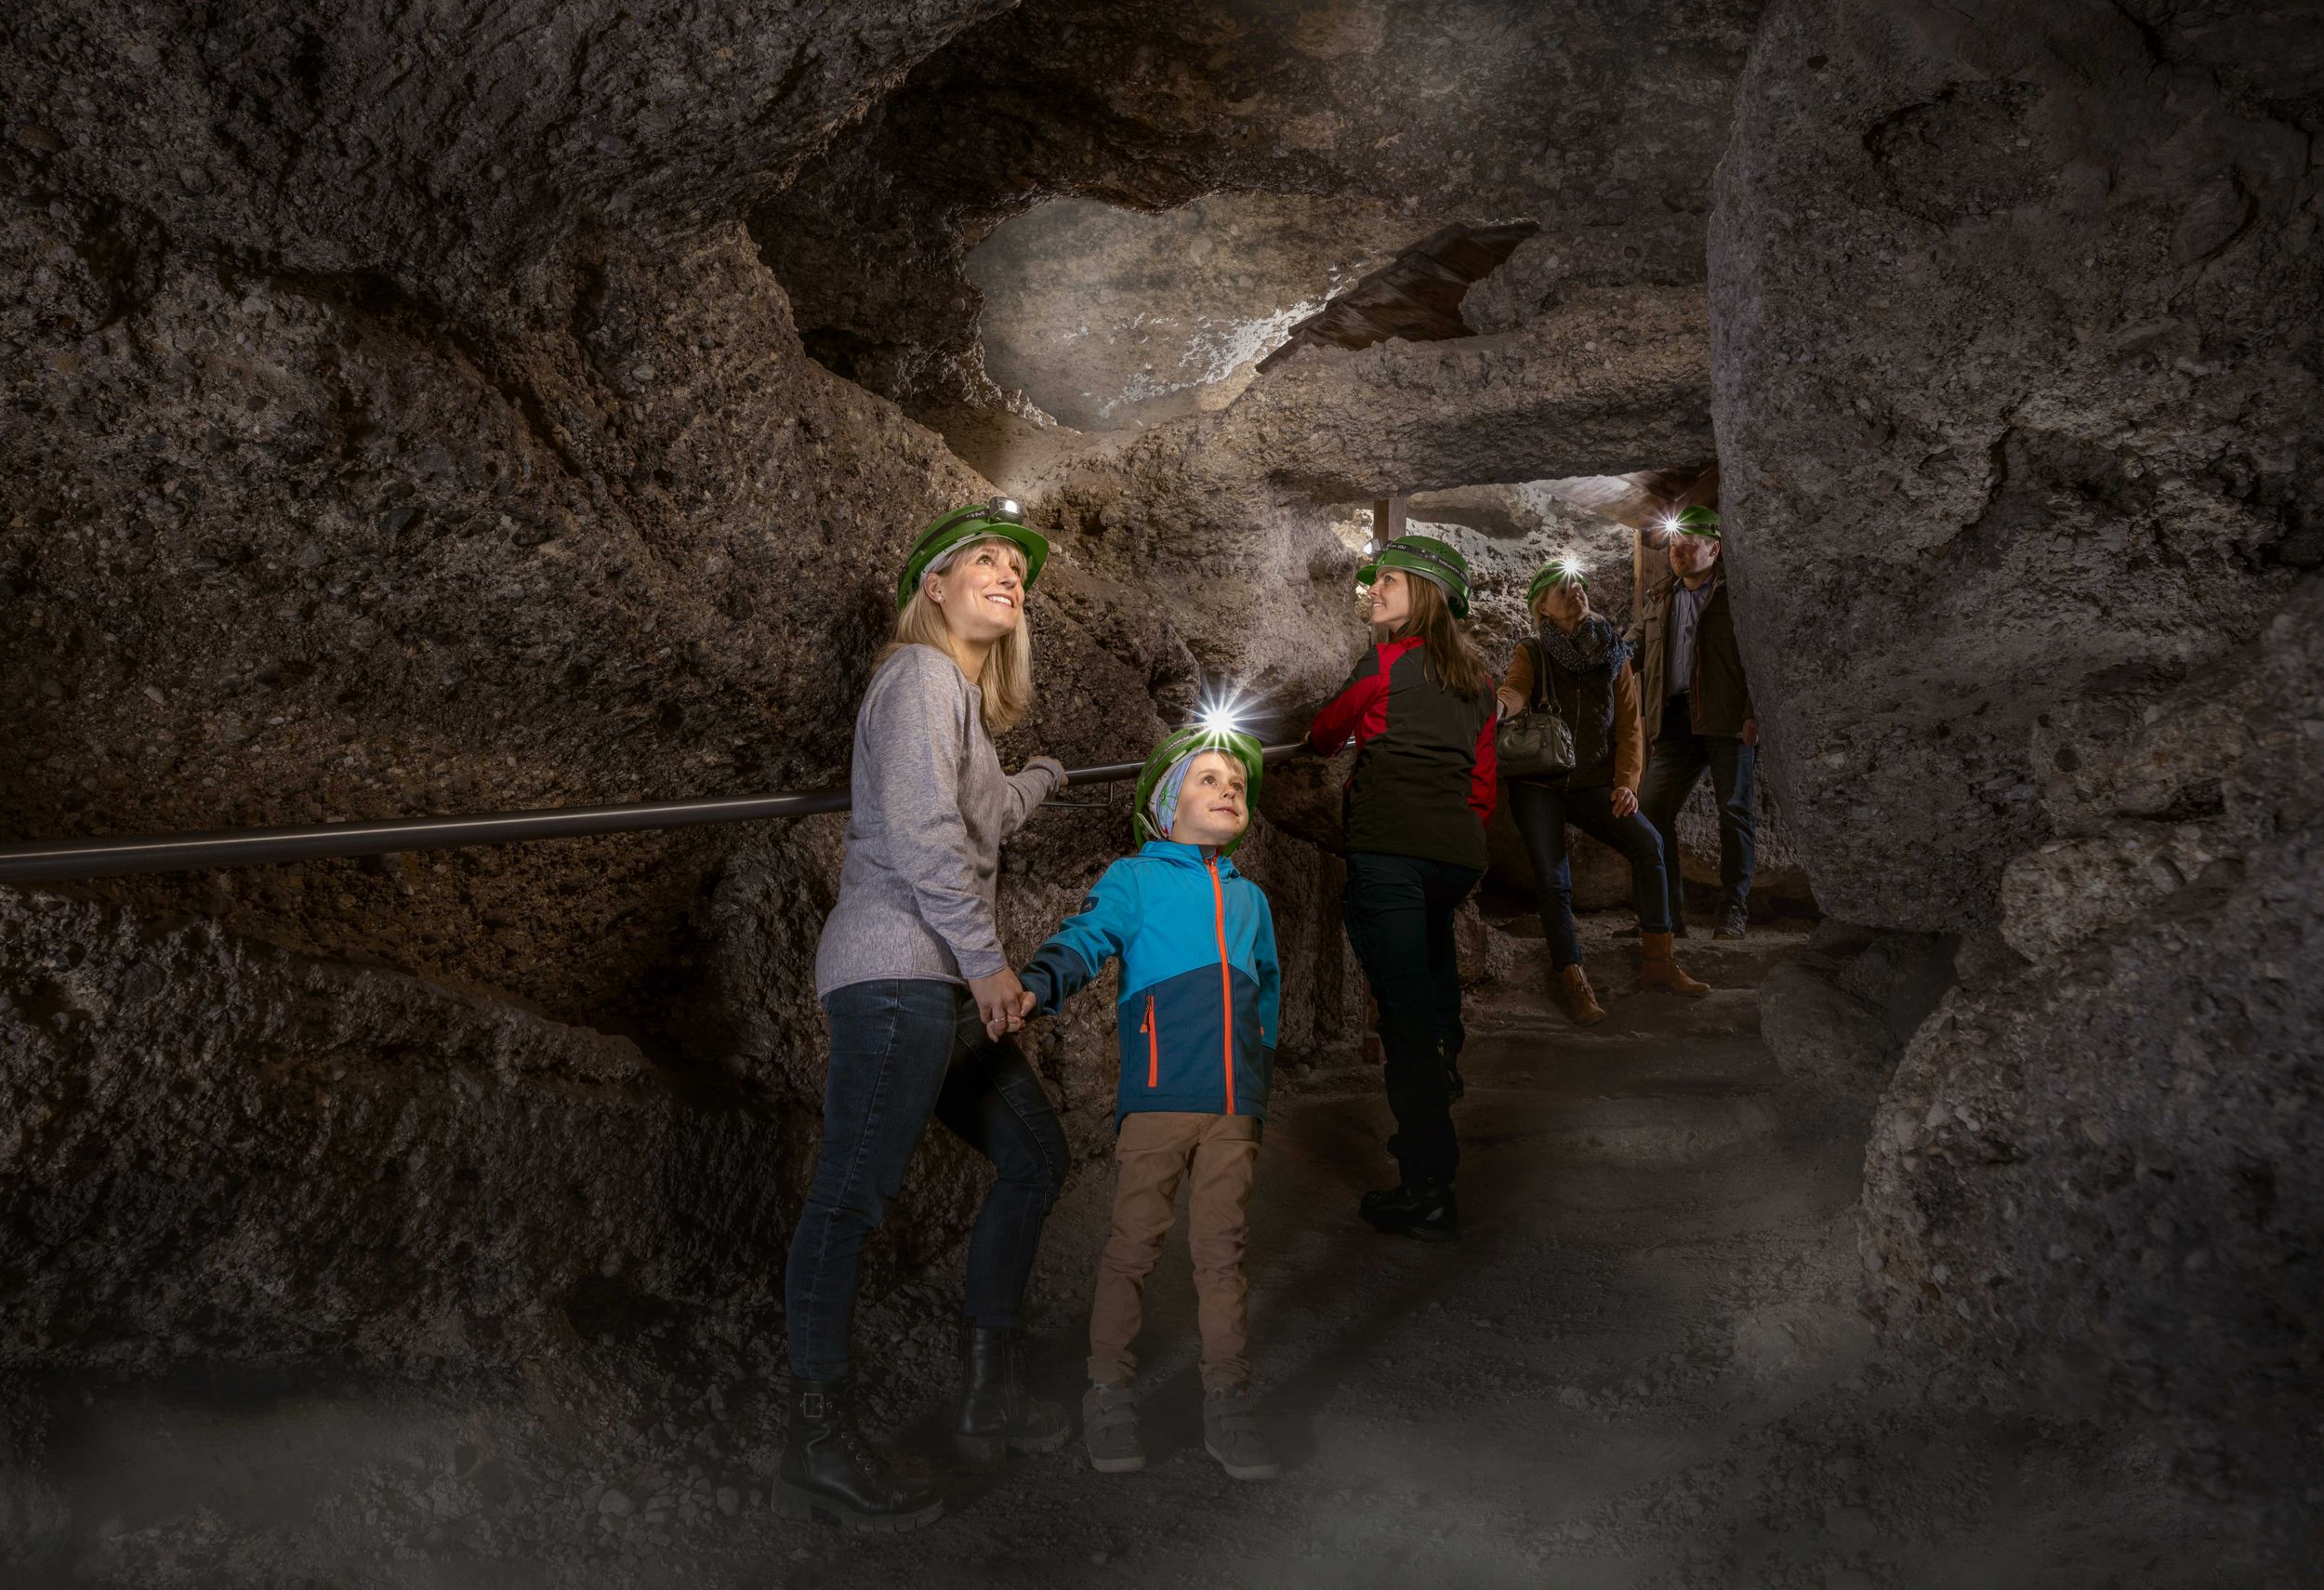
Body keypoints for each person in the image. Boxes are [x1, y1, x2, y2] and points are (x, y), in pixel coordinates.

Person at [779, 499, 1073, 1530]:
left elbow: (983, 812)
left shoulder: (956, 699)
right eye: (983, 560)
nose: (1009, 574)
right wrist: (990, 963)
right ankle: (819, 1442)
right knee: (849, 1204)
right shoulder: (913, 678)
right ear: (933, 589)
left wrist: (1042, 772)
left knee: (1038, 1160)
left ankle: (988, 1392)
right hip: (901, 974)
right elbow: (918, 835)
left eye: (1017, 568)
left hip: (938, 984)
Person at [1010, 724, 1282, 1483]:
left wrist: (1257, 1079)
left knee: (1222, 1254)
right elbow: (1089, 935)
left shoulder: (1252, 898)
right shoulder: (1134, 879)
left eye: (1237, 785)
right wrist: (1039, 983)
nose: (1228, 790)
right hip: (1161, 1097)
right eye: (1208, 780)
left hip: (1233, 1107)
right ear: (1166, 808)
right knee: (1133, 1247)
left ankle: (1228, 1397)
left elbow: (1267, 994)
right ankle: (1108, 1388)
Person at [1307, 534, 1496, 1241]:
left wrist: (1330, 738)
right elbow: (1482, 787)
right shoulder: (1478, 686)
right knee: (1433, 968)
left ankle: (1427, 1183)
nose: (1372, 590)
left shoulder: (1384, 662)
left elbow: (1328, 733)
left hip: (1388, 847)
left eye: (1388, 581)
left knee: (1402, 1016)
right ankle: (1445, 1055)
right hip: (1453, 855)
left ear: (1424, 596)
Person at [1498, 561, 1708, 1024]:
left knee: (1649, 843)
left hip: (1594, 782)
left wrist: (1627, 785)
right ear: (1543, 608)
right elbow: (1515, 691)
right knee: (1555, 881)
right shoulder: (1532, 650)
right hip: (1540, 783)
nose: (1575, 593)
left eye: (1578, 586)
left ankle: (1659, 961)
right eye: (1562, 589)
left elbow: (1630, 726)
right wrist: (1498, 704)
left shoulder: (1611, 652)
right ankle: (1575, 981)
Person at [1627, 506, 1759, 940]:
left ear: (1714, 549)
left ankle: (1734, 911)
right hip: (1674, 720)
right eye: (1673, 545)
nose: (1676, 552)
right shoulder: (1660, 597)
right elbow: (1632, 649)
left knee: (1734, 813)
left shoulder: (1736, 597)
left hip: (1725, 720)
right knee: (1651, 810)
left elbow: (1762, 660)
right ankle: (1666, 917)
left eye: (1687, 545)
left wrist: (1754, 713)